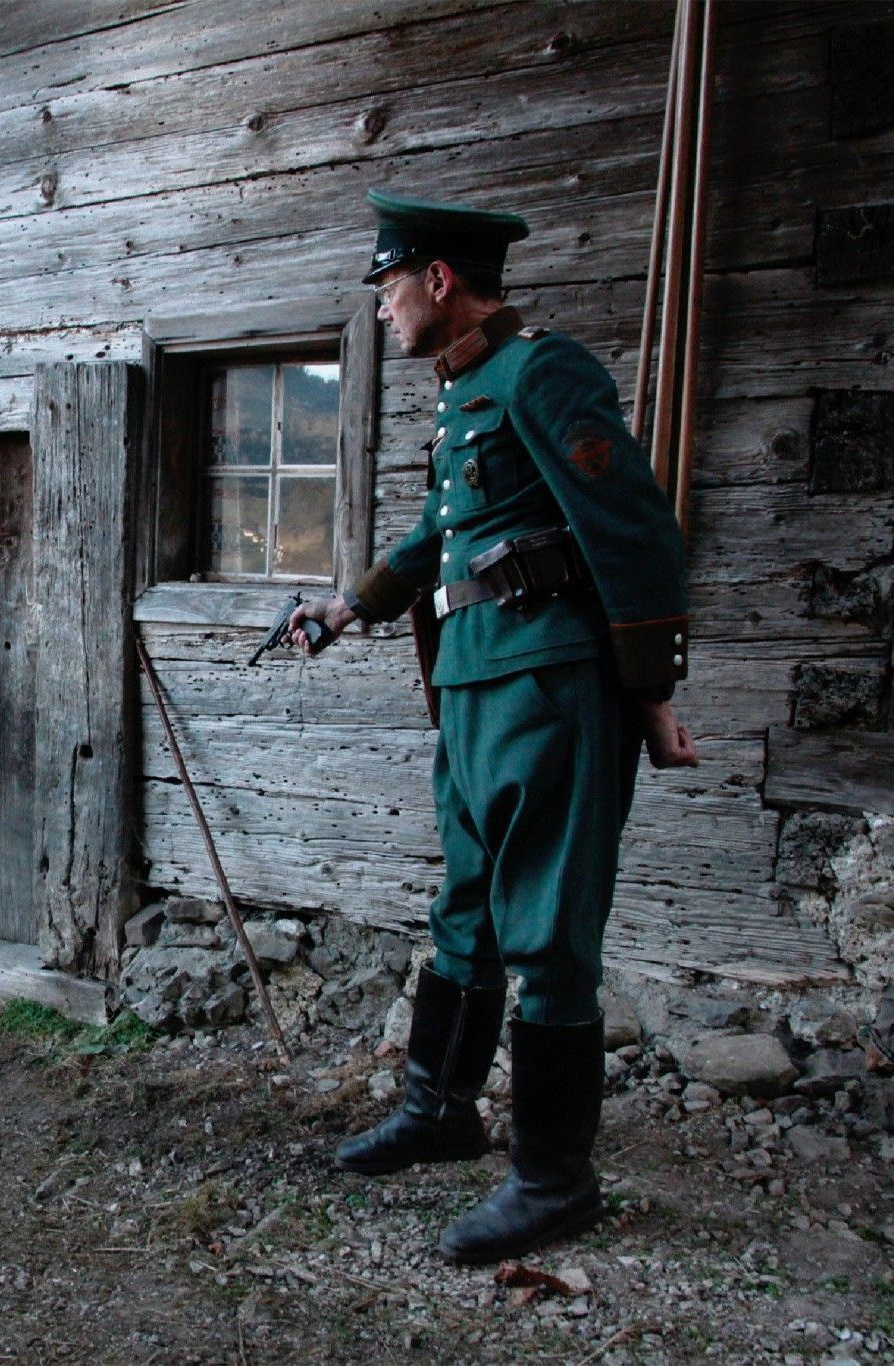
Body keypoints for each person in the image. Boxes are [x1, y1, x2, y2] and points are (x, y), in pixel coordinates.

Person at [289, 191, 699, 1264]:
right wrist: (351, 605)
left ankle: (556, 1180)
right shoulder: (467, 387)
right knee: (464, 906)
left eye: (386, 286)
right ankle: (441, 1110)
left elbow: (634, 529)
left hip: (550, 684)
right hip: (474, 683)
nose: (379, 308)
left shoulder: (543, 372)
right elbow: (443, 528)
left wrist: (651, 693)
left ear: (437, 280)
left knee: (547, 927)